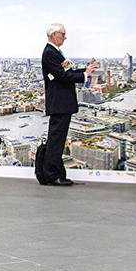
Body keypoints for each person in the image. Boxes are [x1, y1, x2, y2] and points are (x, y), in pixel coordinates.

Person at [41, 23, 97, 186]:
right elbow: (62, 76)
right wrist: (84, 75)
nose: (65, 37)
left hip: (61, 103)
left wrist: (85, 71)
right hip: (60, 102)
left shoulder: (55, 52)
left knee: (57, 139)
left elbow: (65, 72)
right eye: (63, 34)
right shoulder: (50, 52)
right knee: (56, 140)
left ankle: (56, 174)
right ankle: (52, 175)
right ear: (53, 35)